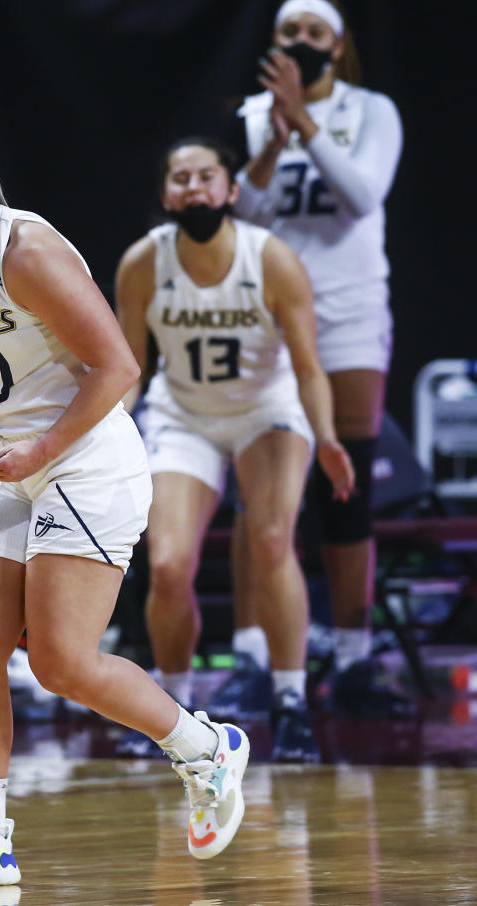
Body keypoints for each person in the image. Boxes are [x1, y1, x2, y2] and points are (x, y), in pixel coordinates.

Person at [0, 118, 250, 888]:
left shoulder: (28, 251)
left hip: (85, 461)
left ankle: (203, 747)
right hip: (6, 461)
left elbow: (115, 367)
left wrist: (39, 453)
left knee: (59, 661)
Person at [115, 136, 354, 763]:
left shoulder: (270, 258)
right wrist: (108, 432)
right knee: (167, 565)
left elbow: (308, 367)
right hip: (183, 413)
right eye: (181, 177)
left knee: (273, 541)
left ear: (231, 189)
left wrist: (326, 437)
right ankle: (170, 713)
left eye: (206, 176)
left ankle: (291, 700)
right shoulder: (143, 262)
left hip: (265, 410)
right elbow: (129, 368)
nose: (194, 187)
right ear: (167, 193)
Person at [229, 0, 405, 714]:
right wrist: (271, 141)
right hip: (267, 312)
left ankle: (355, 654)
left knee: (346, 484)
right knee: (261, 492)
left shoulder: (371, 111)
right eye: (287, 34)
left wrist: (305, 123)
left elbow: (362, 196)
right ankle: (249, 653)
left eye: (312, 33)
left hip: (348, 311)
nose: (299, 42)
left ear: (336, 47)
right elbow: (239, 217)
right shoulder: (248, 114)